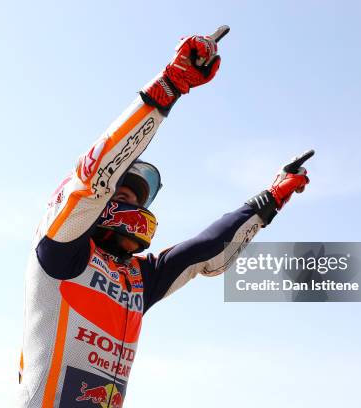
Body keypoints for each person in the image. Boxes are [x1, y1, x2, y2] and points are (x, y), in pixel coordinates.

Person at [18, 30, 313, 408]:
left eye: (138, 200)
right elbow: (91, 182)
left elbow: (204, 251)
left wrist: (269, 200)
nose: (134, 207)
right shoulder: (61, 251)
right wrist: (170, 85)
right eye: (123, 195)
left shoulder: (138, 279)